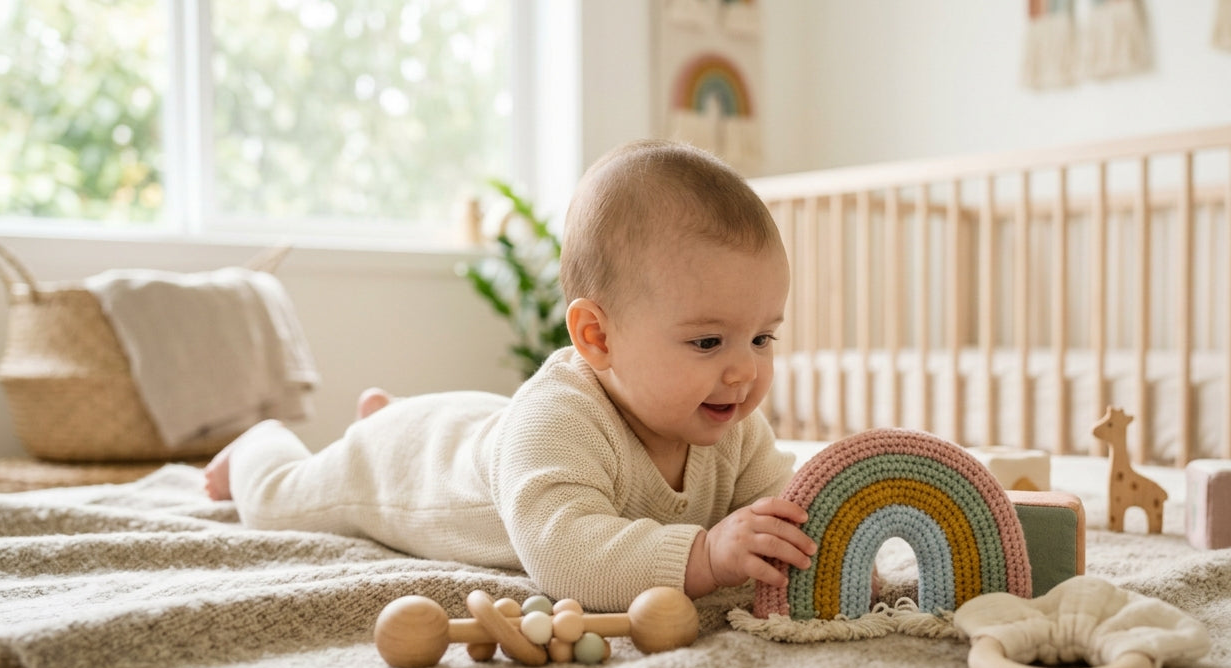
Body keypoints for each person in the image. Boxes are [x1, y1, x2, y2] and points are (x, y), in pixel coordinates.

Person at [203, 139, 817, 612]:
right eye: (708, 341)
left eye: (763, 337)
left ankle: (390, 409)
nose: (744, 371)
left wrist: (837, 554)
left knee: (482, 428)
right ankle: (265, 442)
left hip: (485, 429)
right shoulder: (558, 421)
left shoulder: (732, 422)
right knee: (279, 499)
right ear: (597, 338)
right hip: (401, 466)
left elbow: (788, 517)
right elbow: (566, 556)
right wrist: (707, 555)